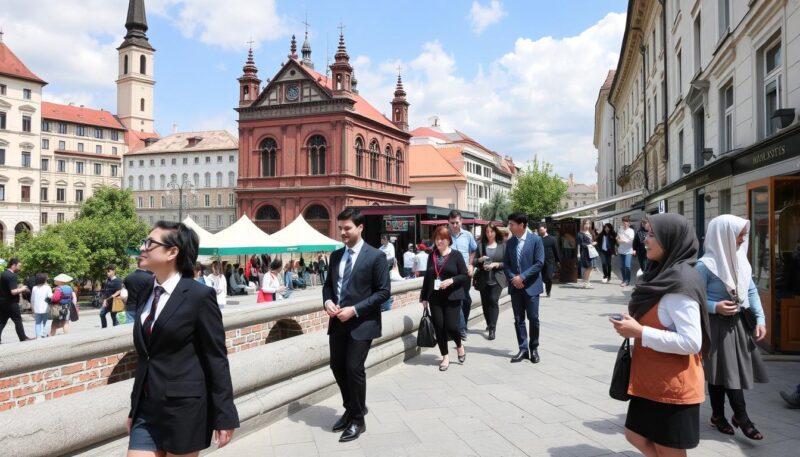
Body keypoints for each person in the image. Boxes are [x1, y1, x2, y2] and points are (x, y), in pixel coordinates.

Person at [127, 221, 238, 455]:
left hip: (184, 409)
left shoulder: (199, 296)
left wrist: (224, 414)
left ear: (172, 252)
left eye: (150, 243)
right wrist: (134, 408)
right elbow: (146, 356)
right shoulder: (146, 291)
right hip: (146, 408)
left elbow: (216, 358)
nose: (142, 248)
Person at [610, 213, 710, 457]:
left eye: (653, 235)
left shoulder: (679, 283)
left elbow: (691, 342)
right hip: (652, 381)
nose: (645, 240)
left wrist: (641, 331)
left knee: (669, 450)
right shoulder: (661, 274)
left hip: (673, 387)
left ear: (671, 239)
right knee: (635, 435)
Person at [697, 215, 768, 440]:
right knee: (723, 371)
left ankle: (720, 416)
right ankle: (740, 417)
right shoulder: (705, 265)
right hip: (715, 325)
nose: (742, 240)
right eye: (739, 235)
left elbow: (751, 291)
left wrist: (761, 319)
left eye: (743, 235)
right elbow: (692, 298)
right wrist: (714, 306)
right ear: (723, 235)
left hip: (738, 324)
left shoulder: (741, 259)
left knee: (724, 371)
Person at [323, 208, 390, 443]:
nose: (342, 232)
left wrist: (355, 309)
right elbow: (328, 286)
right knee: (336, 367)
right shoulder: (335, 256)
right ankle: (351, 408)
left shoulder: (376, 256)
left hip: (362, 322)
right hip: (338, 321)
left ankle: (358, 419)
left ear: (360, 228)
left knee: (353, 368)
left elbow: (384, 292)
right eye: (340, 228)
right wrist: (328, 301)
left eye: (347, 228)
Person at [420, 225, 468, 370]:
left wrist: (452, 280)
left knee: (452, 326)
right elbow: (428, 277)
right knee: (439, 327)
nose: (438, 242)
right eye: (436, 239)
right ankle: (445, 357)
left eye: (441, 239)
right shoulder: (432, 255)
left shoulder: (456, 255)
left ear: (448, 240)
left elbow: (464, 275)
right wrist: (424, 297)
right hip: (435, 297)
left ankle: (459, 345)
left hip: (452, 297)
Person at [503, 212, 545, 364]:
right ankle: (523, 348)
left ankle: (534, 348)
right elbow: (506, 263)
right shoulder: (510, 242)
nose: (510, 227)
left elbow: (539, 263)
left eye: (512, 224)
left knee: (533, 319)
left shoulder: (536, 240)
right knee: (518, 319)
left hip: (532, 287)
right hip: (516, 287)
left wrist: (522, 277)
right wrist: (514, 278)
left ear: (521, 225)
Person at [448, 210, 477, 340]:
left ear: (461, 222)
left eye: (457, 222)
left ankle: (462, 323)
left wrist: (471, 265)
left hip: (465, 273)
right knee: (458, 300)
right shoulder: (444, 235)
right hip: (451, 274)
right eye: (452, 223)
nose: (454, 225)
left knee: (466, 300)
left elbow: (474, 250)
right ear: (448, 222)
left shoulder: (468, 235)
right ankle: (462, 329)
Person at [474, 222, 506, 340]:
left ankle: (492, 328)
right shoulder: (480, 245)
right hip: (483, 278)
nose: (489, 234)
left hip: (497, 278)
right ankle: (489, 323)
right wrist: (480, 259)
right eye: (487, 232)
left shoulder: (503, 245)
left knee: (493, 300)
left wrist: (496, 265)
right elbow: (473, 262)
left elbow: (507, 263)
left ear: (495, 232)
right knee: (485, 303)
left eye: (491, 231)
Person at [0, 258, 33, 343]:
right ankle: (23, 338)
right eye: (19, 266)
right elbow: (13, 292)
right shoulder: (11, 276)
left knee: (2, 321)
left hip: (3, 301)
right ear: (13, 265)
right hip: (11, 302)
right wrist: (22, 288)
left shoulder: (3, 274)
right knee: (18, 320)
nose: (20, 268)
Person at [125, 259, 154, 325]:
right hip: (144, 307)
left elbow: (124, 291)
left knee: (129, 328)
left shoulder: (128, 277)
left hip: (130, 305)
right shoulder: (150, 278)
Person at [537, 224, 561, 297]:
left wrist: (558, 261)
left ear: (545, 229)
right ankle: (542, 289)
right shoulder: (538, 239)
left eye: (541, 230)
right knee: (543, 277)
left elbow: (556, 250)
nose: (540, 231)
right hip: (540, 261)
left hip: (550, 261)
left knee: (549, 277)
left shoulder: (552, 239)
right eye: (539, 230)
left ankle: (548, 291)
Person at [30, 273, 52, 339]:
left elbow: (32, 299)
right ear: (44, 280)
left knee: (37, 323)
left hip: (36, 308)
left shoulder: (34, 288)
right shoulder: (47, 287)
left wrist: (32, 308)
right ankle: (44, 335)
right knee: (46, 322)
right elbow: (50, 297)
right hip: (46, 308)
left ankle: (38, 336)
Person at [578, 221, 598, 288]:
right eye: (586, 224)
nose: (587, 225)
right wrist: (590, 244)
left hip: (591, 252)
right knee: (588, 267)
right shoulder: (580, 234)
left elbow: (593, 240)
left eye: (588, 224)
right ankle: (585, 282)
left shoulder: (591, 233)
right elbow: (580, 244)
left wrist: (594, 243)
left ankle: (587, 281)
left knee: (591, 267)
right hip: (585, 252)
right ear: (583, 225)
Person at [617, 216, 635, 287]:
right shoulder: (620, 229)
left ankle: (627, 280)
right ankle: (624, 279)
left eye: (626, 222)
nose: (624, 223)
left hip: (628, 251)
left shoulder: (631, 231)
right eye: (623, 222)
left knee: (627, 266)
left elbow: (631, 241)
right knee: (622, 267)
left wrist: (623, 240)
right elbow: (618, 238)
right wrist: (618, 240)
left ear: (629, 223)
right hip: (621, 250)